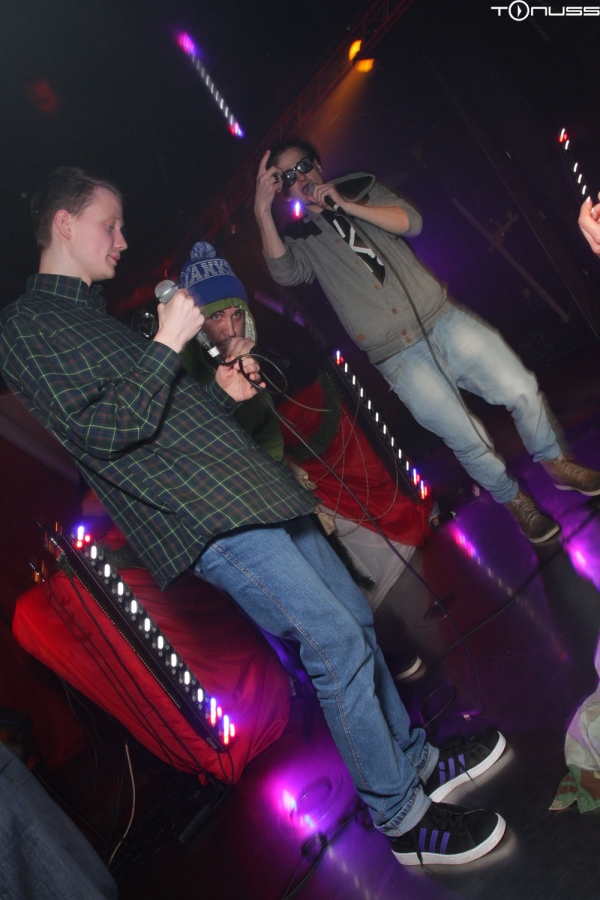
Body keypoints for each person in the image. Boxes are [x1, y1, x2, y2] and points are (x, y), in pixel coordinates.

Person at [0, 166, 507, 867]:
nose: (122, 240)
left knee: (354, 624)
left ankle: (414, 762)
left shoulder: (94, 315)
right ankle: (401, 817)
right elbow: (101, 434)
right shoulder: (26, 326)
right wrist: (166, 344)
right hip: (207, 515)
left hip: (251, 488)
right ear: (63, 224)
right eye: (108, 225)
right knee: (333, 642)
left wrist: (222, 393)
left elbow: (160, 418)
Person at [254, 140, 600, 544]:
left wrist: (346, 205)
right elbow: (285, 273)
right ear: (284, 191)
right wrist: (261, 212)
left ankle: (557, 464)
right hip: (398, 356)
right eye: (288, 177)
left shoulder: (360, 187)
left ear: (317, 164)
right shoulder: (297, 237)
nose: (300, 178)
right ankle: (515, 500)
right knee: (466, 436)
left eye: (303, 166)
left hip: (443, 319)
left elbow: (410, 222)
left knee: (521, 387)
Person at [178, 240, 284, 461]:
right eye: (216, 316)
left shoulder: (250, 369)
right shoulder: (177, 373)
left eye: (237, 314)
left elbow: (271, 446)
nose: (231, 331)